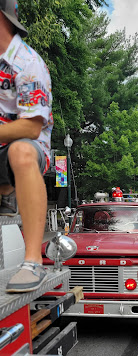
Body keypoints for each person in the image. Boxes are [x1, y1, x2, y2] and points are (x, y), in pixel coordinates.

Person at [0, 0, 53, 293]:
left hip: (28, 149)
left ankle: (33, 262)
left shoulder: (27, 62)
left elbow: (31, 127)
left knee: (20, 150)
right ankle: (6, 193)